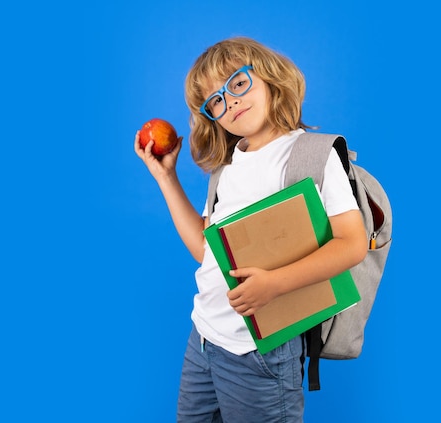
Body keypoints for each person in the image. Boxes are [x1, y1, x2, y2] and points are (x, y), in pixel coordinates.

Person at [134, 36, 367, 423]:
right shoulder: (227, 166)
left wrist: (274, 284)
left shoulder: (313, 155)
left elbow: (353, 244)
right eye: (216, 101)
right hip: (204, 339)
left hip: (260, 352)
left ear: (270, 77)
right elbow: (206, 251)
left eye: (238, 83)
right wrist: (166, 178)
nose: (231, 101)